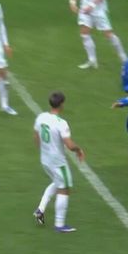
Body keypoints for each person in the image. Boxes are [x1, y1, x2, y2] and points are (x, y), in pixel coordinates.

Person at [33, 92, 85, 233]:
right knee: (65, 188)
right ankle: (59, 224)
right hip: (58, 162)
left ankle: (40, 209)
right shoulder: (61, 123)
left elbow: (36, 136)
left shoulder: (41, 117)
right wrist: (79, 149)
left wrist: (44, 150)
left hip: (45, 159)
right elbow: (69, 145)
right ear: (61, 104)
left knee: (57, 183)